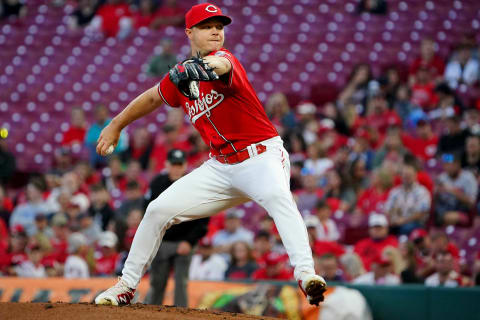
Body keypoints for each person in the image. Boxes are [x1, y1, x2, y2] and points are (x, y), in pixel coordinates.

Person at [94, 3, 326, 307]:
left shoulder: (225, 60)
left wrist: (200, 69)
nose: (216, 30)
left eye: (219, 25)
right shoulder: (181, 75)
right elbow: (152, 97)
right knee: (157, 210)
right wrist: (115, 125)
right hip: (221, 167)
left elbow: (220, 66)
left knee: (280, 199)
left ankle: (306, 275)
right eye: (206, 26)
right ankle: (125, 286)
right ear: (190, 32)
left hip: (260, 158)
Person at [145, 149, 209, 307]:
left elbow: (204, 215)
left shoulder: (194, 183)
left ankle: (182, 315)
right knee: (157, 283)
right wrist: (153, 238)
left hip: (184, 241)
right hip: (162, 241)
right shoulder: (157, 183)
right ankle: (151, 314)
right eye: (173, 164)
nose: (176, 168)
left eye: (179, 164)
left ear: (185, 165)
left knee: (181, 283)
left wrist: (189, 241)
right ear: (167, 164)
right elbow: (147, 212)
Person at [385, 163, 431, 235]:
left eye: (410, 175)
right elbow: (387, 209)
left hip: (415, 223)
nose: (407, 177)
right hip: (396, 221)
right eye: (405, 175)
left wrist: (403, 220)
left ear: (415, 176)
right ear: (401, 176)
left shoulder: (422, 191)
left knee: (406, 228)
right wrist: (391, 219)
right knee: (381, 226)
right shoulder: (395, 192)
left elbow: (422, 212)